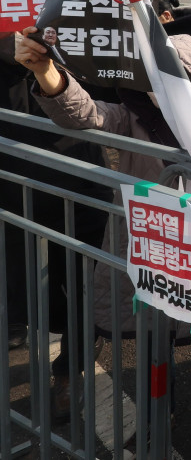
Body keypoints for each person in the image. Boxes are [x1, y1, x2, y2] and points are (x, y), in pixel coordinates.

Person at [15, 26, 191, 458]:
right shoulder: (132, 117)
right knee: (159, 342)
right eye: (152, 81)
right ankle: (158, 419)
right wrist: (46, 69)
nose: (159, 92)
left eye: (170, 80)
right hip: (158, 253)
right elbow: (83, 113)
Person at [1, 30, 112, 420]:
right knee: (25, 288)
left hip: (81, 192)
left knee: (82, 290)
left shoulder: (71, 36)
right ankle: (22, 322)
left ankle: (68, 371)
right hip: (16, 199)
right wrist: (8, 51)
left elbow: (110, 93)